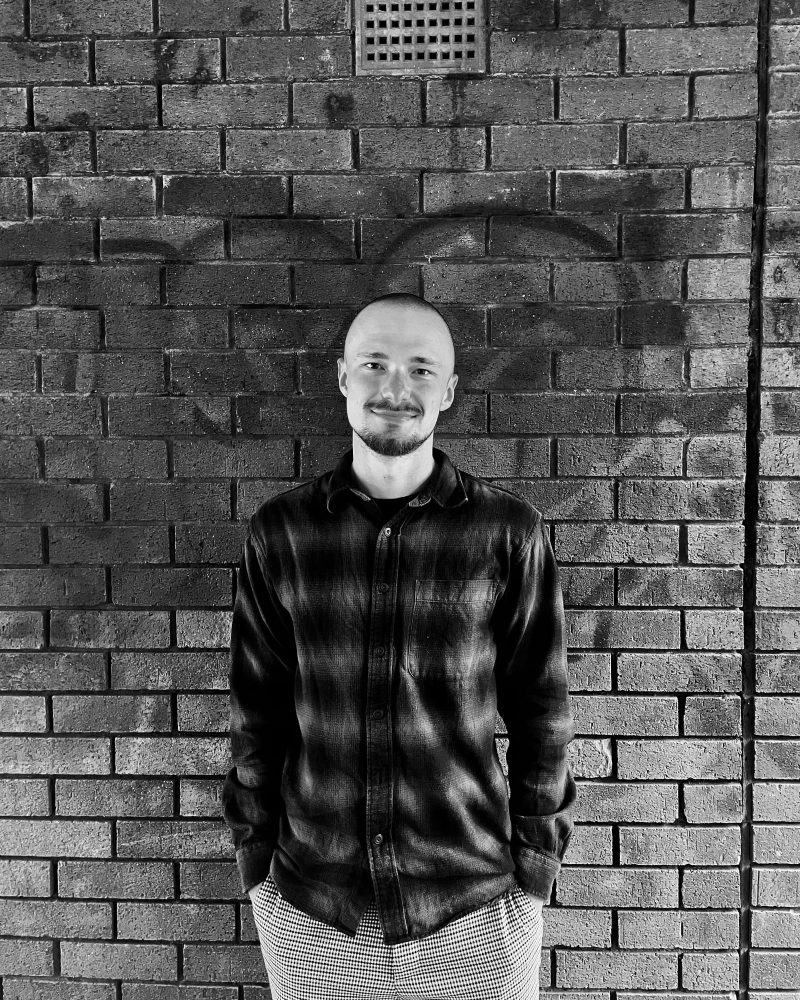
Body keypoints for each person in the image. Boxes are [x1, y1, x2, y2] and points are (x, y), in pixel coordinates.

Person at [221, 291, 577, 1000]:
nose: (396, 389)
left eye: (420, 369)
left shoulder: (508, 533)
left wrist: (535, 869)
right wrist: (256, 864)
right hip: (313, 907)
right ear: (343, 378)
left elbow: (544, 712)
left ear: (448, 388)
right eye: (375, 364)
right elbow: (254, 710)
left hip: (476, 905)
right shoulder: (281, 532)